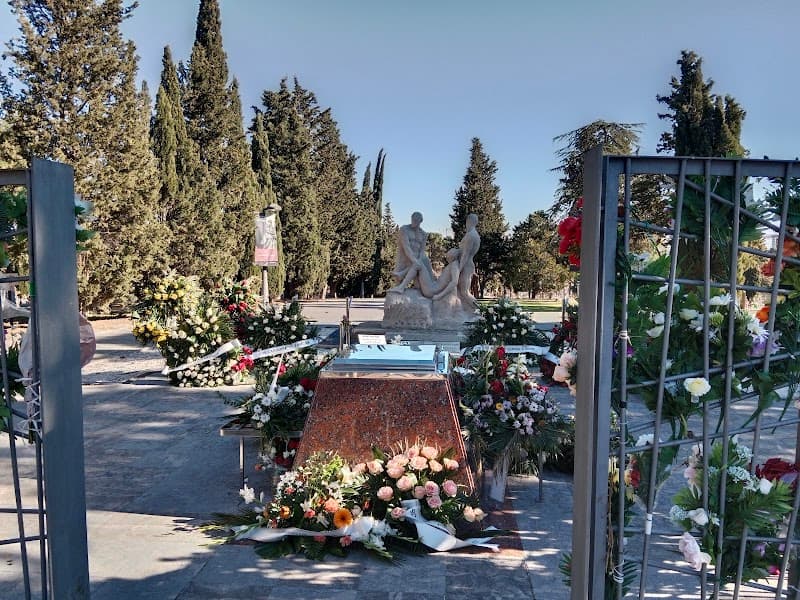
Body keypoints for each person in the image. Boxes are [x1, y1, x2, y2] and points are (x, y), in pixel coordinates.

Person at [390, 211, 433, 293]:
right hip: (405, 258)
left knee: (420, 286)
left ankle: (402, 274)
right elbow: (406, 247)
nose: (414, 222)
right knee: (398, 284)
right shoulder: (404, 229)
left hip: (418, 258)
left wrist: (418, 260)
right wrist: (415, 261)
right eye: (413, 220)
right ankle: (401, 276)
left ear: (421, 221)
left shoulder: (424, 234)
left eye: (416, 220)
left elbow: (422, 250)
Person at [457, 214, 480, 305]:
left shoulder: (471, 235)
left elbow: (465, 255)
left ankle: (481, 311)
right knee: (461, 292)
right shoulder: (472, 234)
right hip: (467, 264)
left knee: (464, 292)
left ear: (469, 222)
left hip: (466, 265)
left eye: (466, 222)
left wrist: (458, 269)